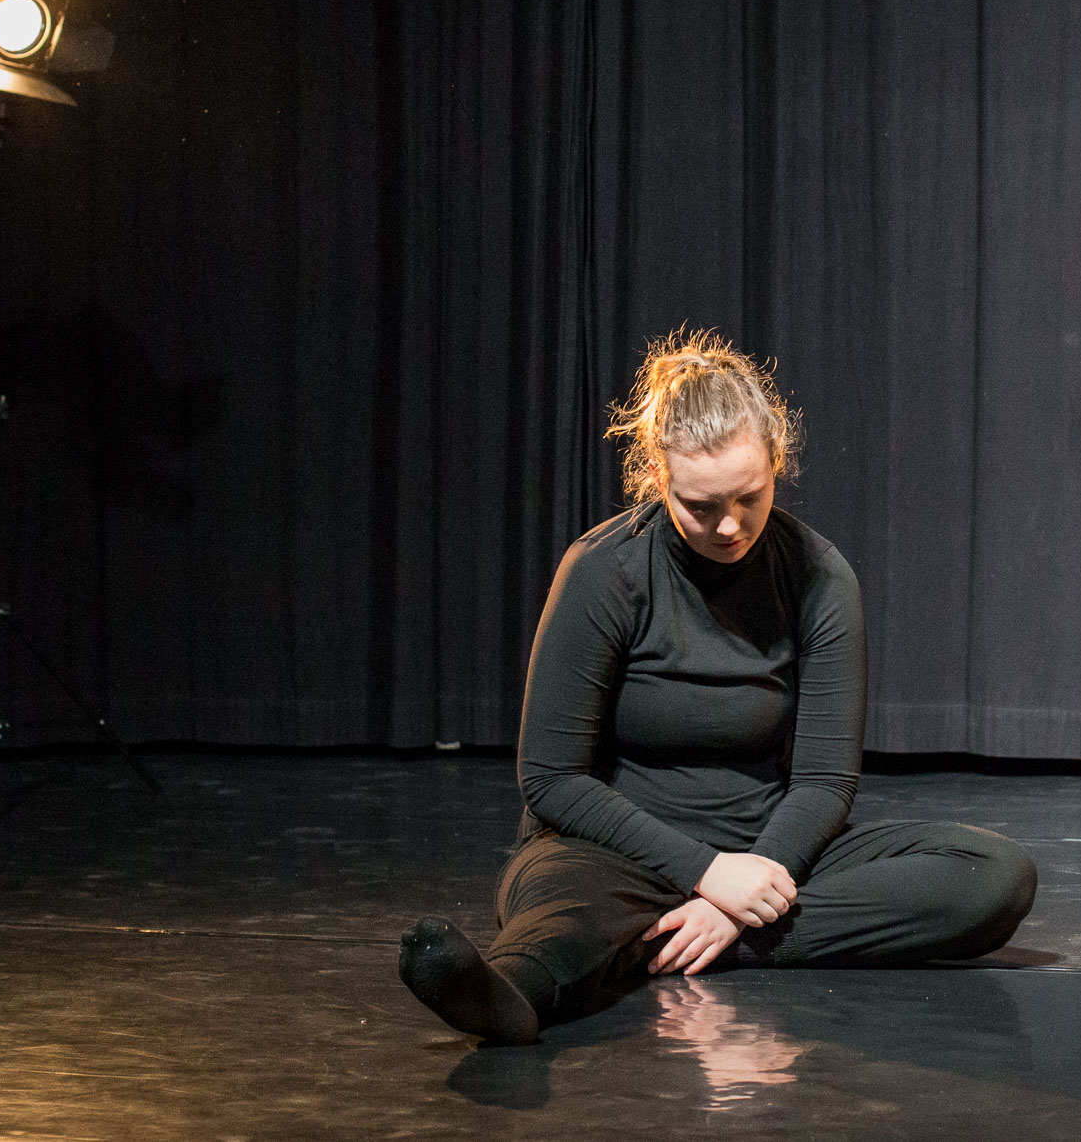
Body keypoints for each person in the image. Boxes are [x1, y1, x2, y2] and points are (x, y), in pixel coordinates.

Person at [398, 330, 1039, 1044]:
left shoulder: (819, 576)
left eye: (749, 497)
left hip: (766, 853)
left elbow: (825, 782)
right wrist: (704, 871)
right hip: (613, 851)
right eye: (700, 505)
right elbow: (551, 779)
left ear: (776, 461)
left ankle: (678, 943)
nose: (729, 525)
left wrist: (739, 897)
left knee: (993, 874)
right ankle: (511, 991)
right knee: (565, 912)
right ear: (658, 475)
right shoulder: (604, 570)